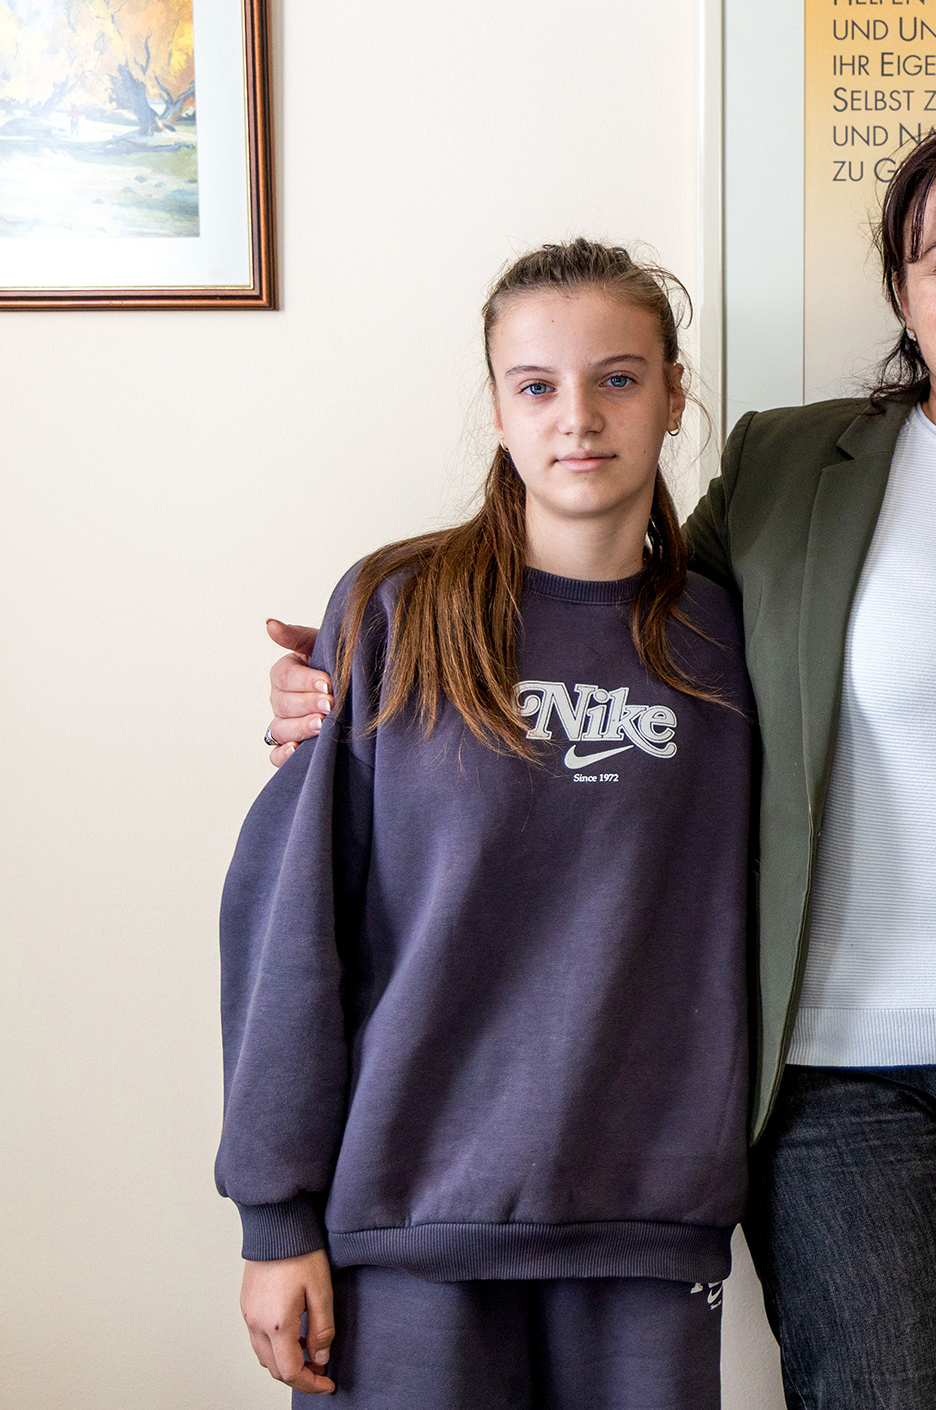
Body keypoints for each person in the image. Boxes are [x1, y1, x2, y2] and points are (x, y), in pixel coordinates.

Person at [262, 124, 936, 1409]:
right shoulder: (789, 469)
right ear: (902, 290)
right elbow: (611, 620)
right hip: (847, 1069)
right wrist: (349, 686)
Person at [218, 240, 755, 1407]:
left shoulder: (731, 636)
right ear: (500, 408)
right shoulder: (397, 609)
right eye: (537, 384)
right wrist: (274, 1212)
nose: (579, 417)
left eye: (618, 378)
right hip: (407, 1219)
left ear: (674, 395)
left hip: (646, 1224)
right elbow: (291, 919)